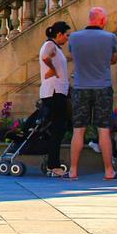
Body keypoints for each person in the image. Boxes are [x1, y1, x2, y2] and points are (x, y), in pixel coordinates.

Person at [67, 6, 117, 180]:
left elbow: (72, 55)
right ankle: (108, 170)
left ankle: (73, 170)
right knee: (104, 130)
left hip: (80, 87)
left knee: (78, 130)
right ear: (101, 20)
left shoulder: (74, 38)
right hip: (103, 88)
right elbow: (114, 59)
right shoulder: (110, 38)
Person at [39, 21, 72, 178]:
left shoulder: (54, 47)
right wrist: (52, 69)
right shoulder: (50, 45)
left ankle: (54, 163)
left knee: (59, 128)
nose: (67, 38)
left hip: (57, 92)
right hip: (54, 92)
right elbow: (46, 57)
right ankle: (54, 165)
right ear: (59, 34)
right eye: (66, 35)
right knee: (58, 129)